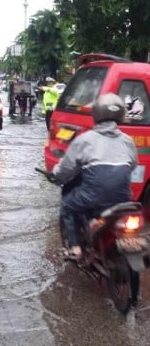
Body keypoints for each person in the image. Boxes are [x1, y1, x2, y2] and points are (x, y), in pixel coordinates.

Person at [51, 93, 137, 259]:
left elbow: (66, 169)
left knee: (68, 205)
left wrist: (56, 174)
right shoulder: (127, 140)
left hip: (93, 196)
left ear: (96, 114)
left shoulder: (85, 140)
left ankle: (76, 249)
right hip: (124, 198)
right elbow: (132, 165)